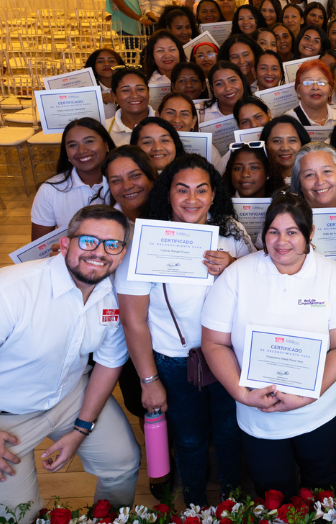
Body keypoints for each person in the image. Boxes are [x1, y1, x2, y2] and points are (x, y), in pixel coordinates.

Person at [0, 205, 140, 521]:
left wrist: (82, 428)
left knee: (123, 463)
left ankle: (109, 519)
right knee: (17, 516)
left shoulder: (113, 294)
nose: (99, 253)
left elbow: (110, 362)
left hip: (69, 397)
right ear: (64, 245)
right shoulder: (9, 290)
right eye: (88, 241)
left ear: (122, 254)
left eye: (112, 245)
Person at [200, 194, 336, 494]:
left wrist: (308, 395)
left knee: (321, 482)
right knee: (271, 488)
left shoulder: (334, 278)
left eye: (292, 232)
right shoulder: (237, 275)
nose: (281, 241)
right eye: (273, 231)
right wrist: (242, 395)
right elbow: (213, 343)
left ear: (310, 233)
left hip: (319, 411)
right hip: (257, 414)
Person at [117, 155, 251, 505]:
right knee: (189, 439)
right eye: (182, 190)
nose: (192, 199)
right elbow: (133, 320)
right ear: (167, 194)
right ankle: (194, 502)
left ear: (213, 194)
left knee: (228, 430)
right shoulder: (147, 239)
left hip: (228, 355)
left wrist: (235, 265)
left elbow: (262, 284)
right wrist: (149, 380)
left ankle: (231, 498)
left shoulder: (231, 232)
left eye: (201, 190)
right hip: (175, 359)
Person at [31, 118, 113, 239]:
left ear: (106, 145)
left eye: (89, 141)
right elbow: (39, 249)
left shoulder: (125, 183)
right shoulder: (50, 190)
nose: (82, 151)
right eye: (73, 145)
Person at [289, 144, 336, 208]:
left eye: (327, 171)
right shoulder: (287, 214)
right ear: (298, 181)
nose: (320, 181)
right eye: (309, 174)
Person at [106, 68, 154, 146]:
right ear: (114, 95)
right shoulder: (105, 128)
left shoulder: (166, 121)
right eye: (125, 90)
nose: (134, 95)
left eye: (140, 89)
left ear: (148, 92)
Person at [289, 61, 336, 126]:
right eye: (308, 83)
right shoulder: (287, 122)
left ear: (330, 91)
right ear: (298, 90)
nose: (315, 87)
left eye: (321, 82)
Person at [262, 115, 311, 184]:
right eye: (277, 141)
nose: (285, 148)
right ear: (265, 144)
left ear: (302, 143)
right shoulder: (258, 182)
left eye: (292, 140)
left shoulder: (314, 179)